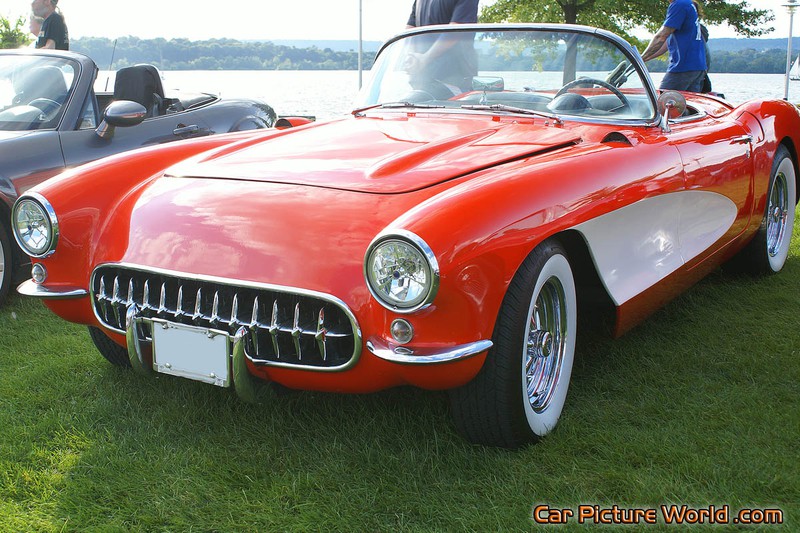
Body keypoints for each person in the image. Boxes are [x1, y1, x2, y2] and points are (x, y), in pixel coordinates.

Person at [403, 0, 480, 97]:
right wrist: (424, 58)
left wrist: (412, 58)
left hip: (422, 79)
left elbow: (409, 31)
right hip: (453, 80)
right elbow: (456, 30)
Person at [641, 0, 707, 92]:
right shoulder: (688, 4)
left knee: (661, 102)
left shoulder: (679, 4)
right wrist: (644, 58)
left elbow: (661, 36)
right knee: (684, 104)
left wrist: (640, 58)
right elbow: (665, 43)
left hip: (683, 67)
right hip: (697, 68)